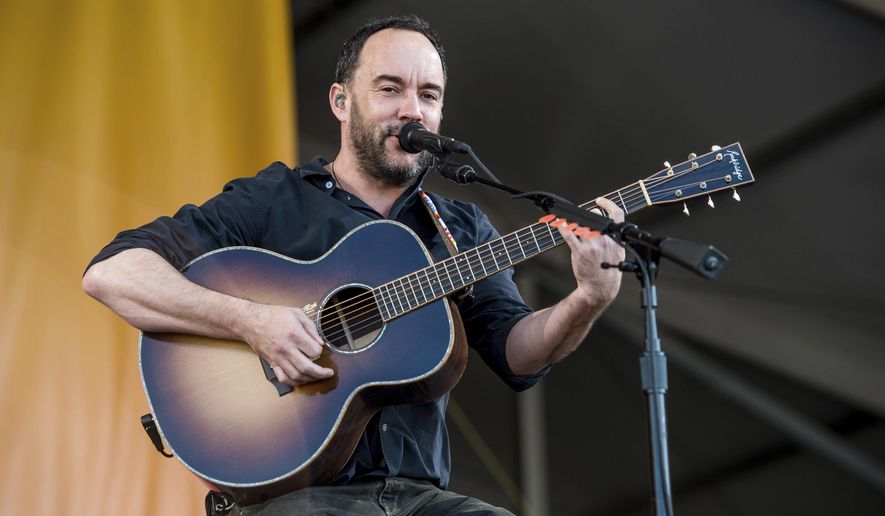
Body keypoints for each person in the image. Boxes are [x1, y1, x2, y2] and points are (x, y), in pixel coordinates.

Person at [83, 14, 625, 516]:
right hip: (301, 496)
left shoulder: (458, 229)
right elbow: (113, 274)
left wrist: (587, 299)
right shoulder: (274, 199)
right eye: (390, 88)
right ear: (341, 102)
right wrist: (249, 320)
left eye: (428, 95)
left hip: (420, 499)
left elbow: (518, 355)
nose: (412, 109)